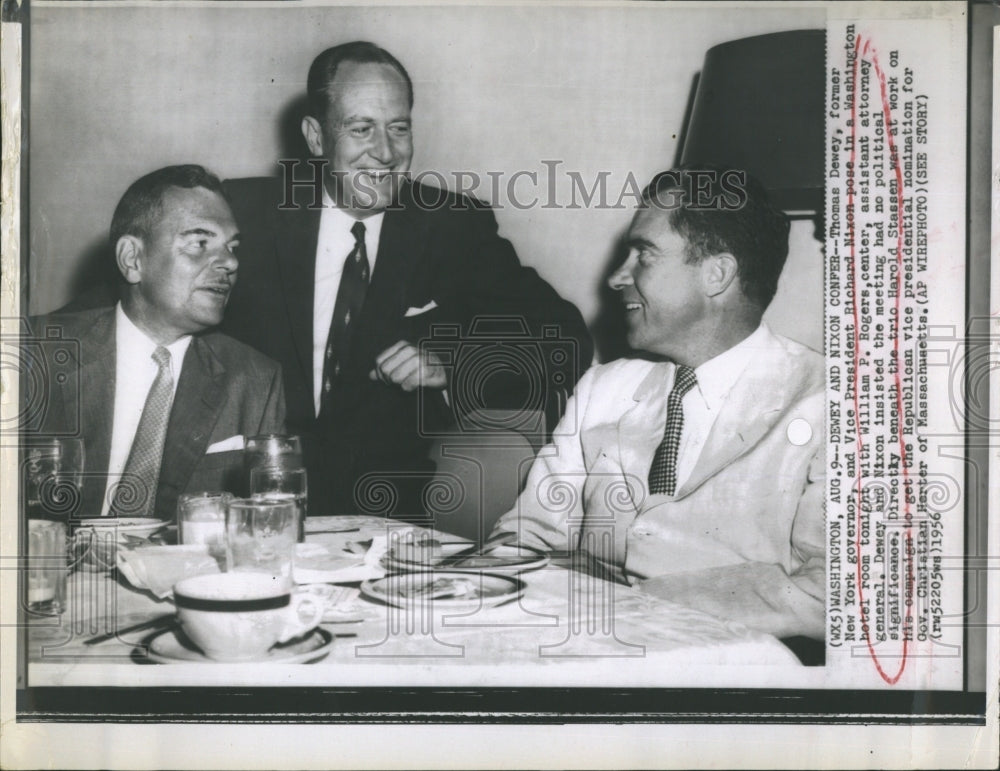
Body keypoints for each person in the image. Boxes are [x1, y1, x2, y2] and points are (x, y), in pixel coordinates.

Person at [220, 41, 592, 518]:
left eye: (399, 128)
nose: (386, 152)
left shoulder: (453, 225)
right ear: (315, 137)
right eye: (361, 129)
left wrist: (452, 360)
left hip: (385, 512)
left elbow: (566, 336)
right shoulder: (243, 213)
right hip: (248, 503)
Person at [489, 168, 825, 640]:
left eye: (643, 254)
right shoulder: (602, 389)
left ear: (717, 275)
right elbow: (523, 538)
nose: (615, 276)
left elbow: (834, 596)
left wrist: (634, 602)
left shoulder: (832, 405)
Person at [25, 165, 286, 521]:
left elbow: (267, 527)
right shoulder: (35, 353)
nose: (229, 262)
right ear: (133, 259)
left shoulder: (255, 380)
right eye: (199, 243)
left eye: (232, 247)